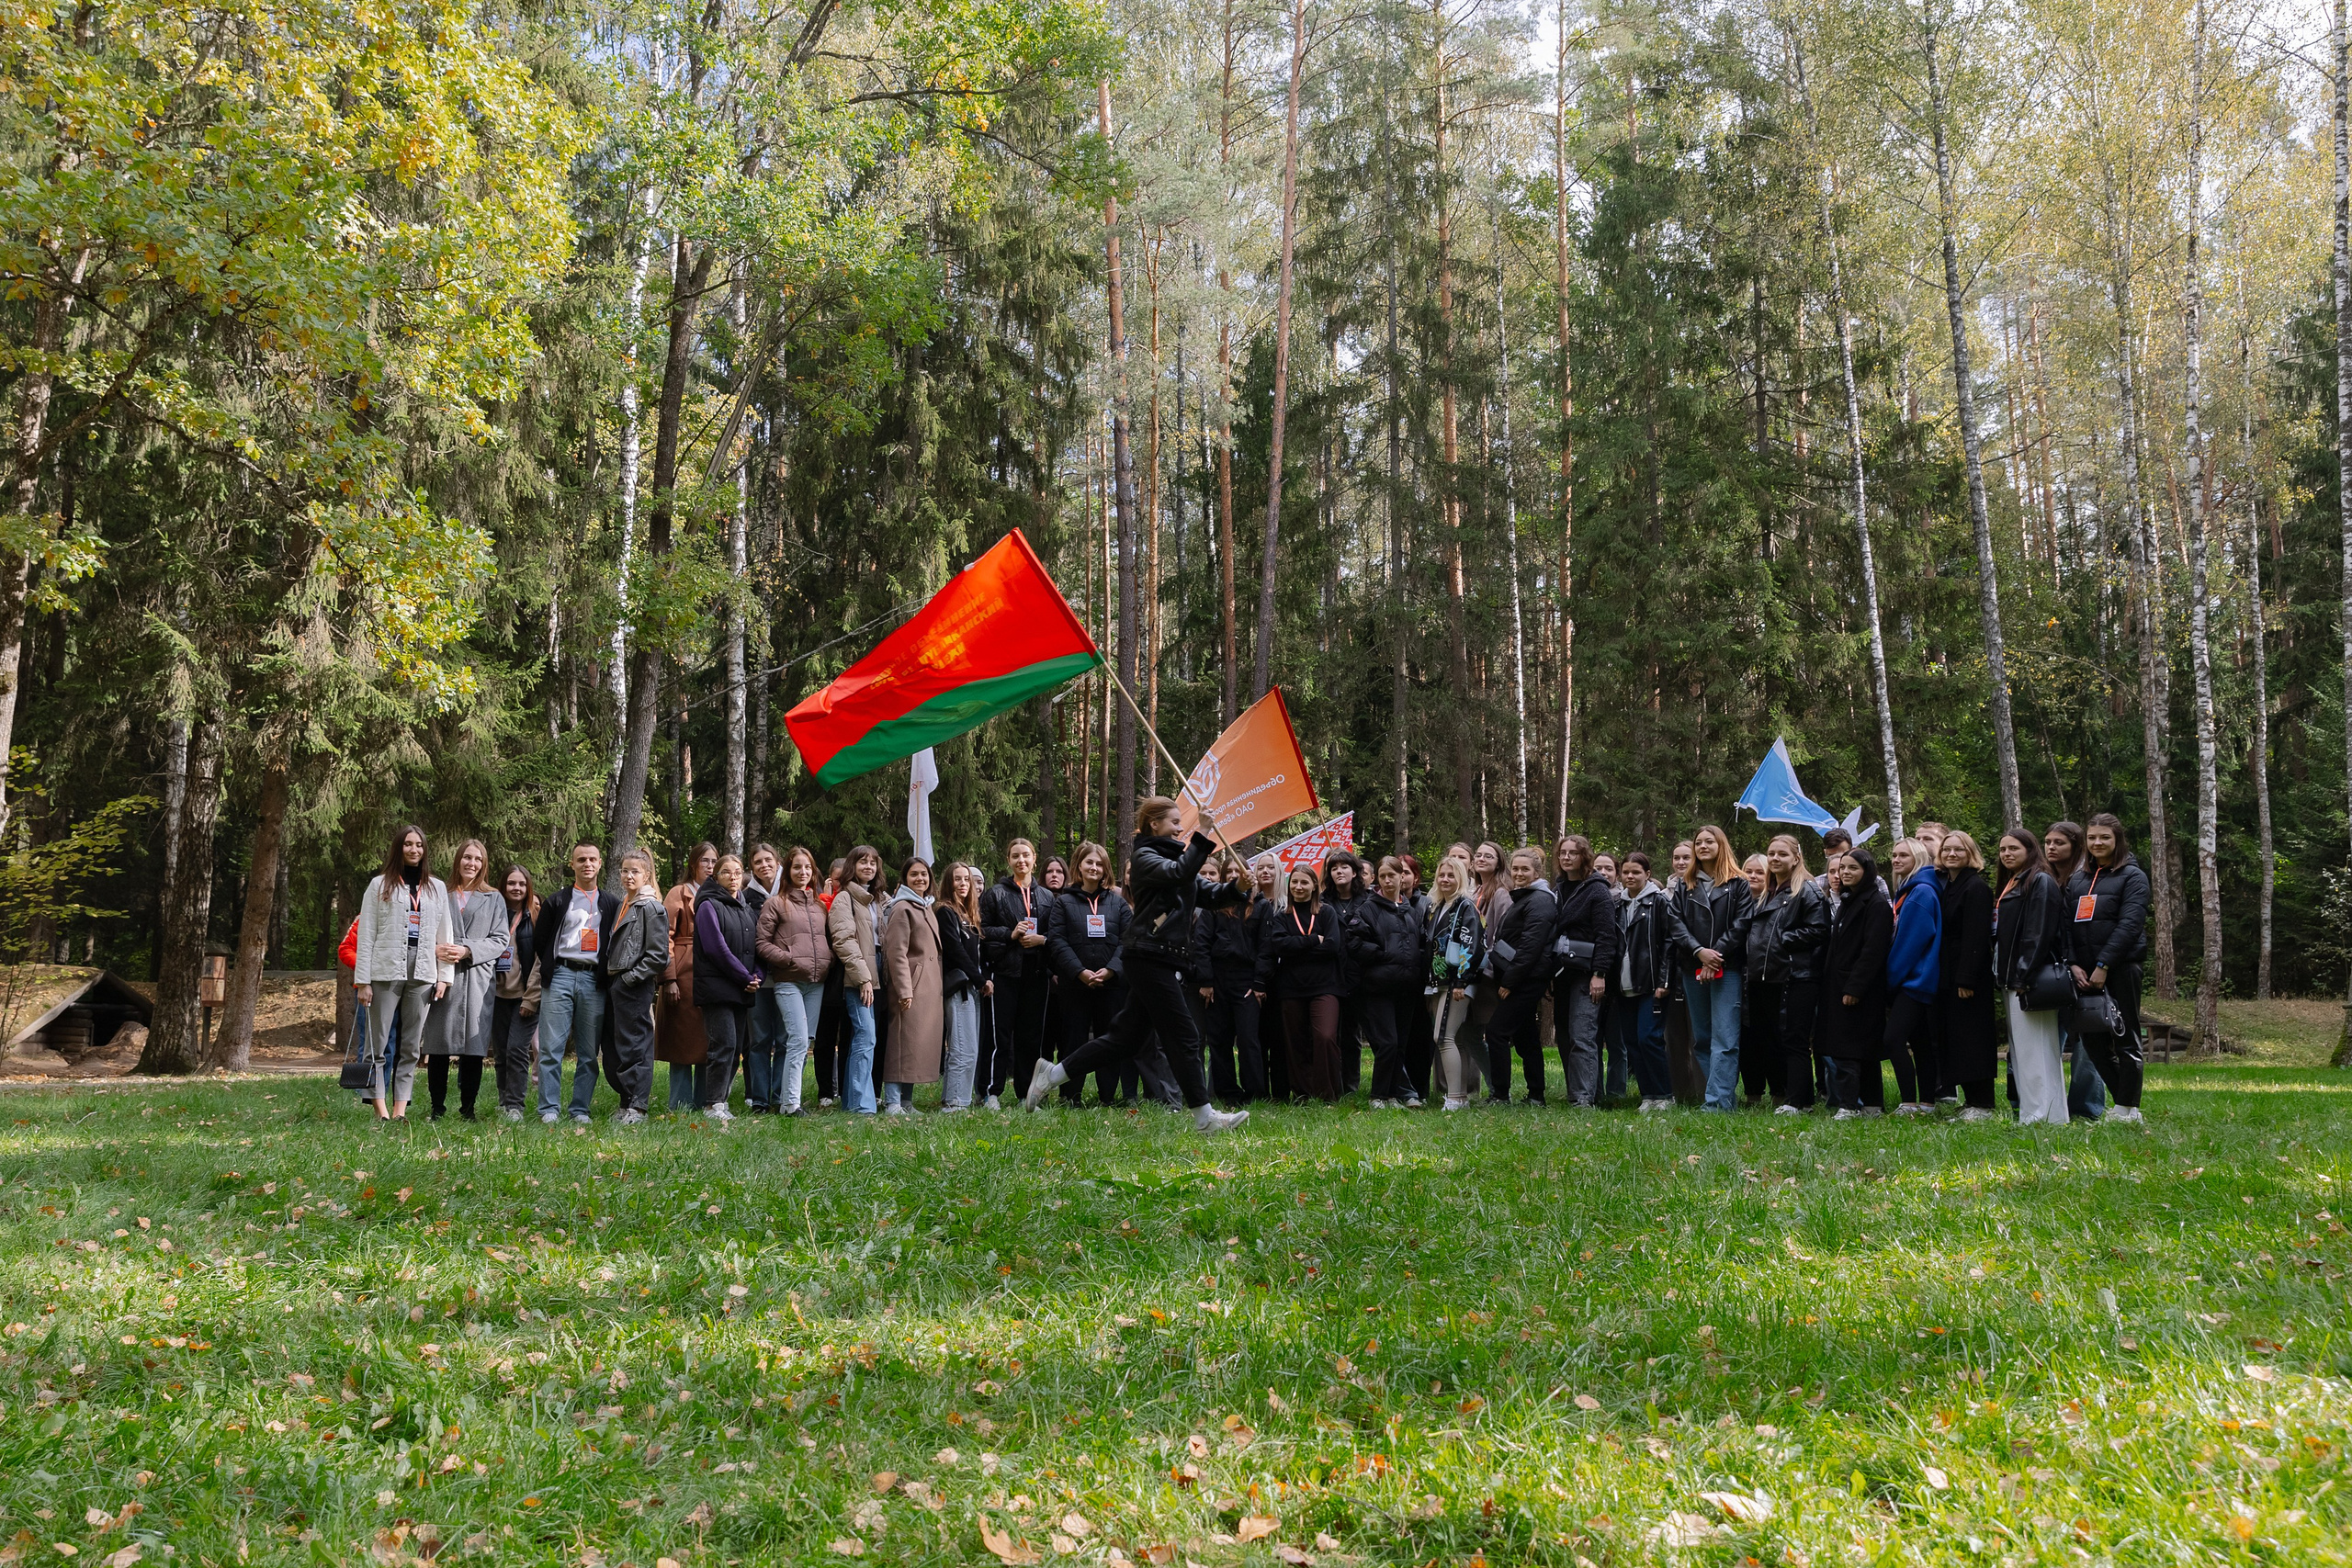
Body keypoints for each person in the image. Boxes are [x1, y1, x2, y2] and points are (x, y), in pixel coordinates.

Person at [1022, 799, 1251, 1134]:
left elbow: (1209, 893)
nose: (1180, 827)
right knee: (1185, 1034)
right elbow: (1180, 874)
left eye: (1181, 823)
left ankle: (1052, 1075)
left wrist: (1237, 888)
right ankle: (1204, 1118)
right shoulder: (1145, 859)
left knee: (1124, 1040)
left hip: (1160, 957)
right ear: (1154, 824)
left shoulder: (1176, 858)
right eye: (1174, 821)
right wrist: (1202, 832)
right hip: (1148, 956)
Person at [353, 825, 456, 1122]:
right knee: (379, 1043)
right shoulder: (379, 885)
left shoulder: (436, 888)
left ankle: (400, 1112)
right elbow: (366, 934)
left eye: (419, 845)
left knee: (411, 1046)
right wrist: (363, 981)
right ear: (399, 848)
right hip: (385, 970)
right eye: (408, 844)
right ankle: (380, 1110)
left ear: (425, 850)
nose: (414, 850)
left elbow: (445, 935)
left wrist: (444, 976)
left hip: (423, 971)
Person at [2068, 813, 2150, 1123]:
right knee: (2092, 1041)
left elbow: (2130, 925)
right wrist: (2075, 964)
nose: (2097, 843)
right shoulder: (2078, 880)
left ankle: (2130, 1109)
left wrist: (2104, 964)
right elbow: (2066, 925)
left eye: (2104, 837)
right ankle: (2123, 1105)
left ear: (2117, 840)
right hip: (2083, 975)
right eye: (2092, 838)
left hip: (2120, 968)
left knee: (2125, 1035)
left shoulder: (2133, 876)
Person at [531, 839, 618, 1124]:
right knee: (550, 1048)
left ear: (600, 863)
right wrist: (553, 968)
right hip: (560, 976)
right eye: (581, 860)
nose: (587, 864)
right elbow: (540, 940)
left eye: (592, 859)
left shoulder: (611, 903)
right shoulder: (557, 901)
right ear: (572, 864)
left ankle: (580, 1109)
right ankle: (549, 1110)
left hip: (594, 980)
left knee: (589, 1052)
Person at [418, 840, 506, 1121]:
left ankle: (468, 1110)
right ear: (458, 860)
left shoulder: (494, 898)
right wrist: (439, 950)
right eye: (467, 857)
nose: (472, 863)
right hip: (443, 977)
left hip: (477, 980)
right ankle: (437, 1109)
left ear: (484, 864)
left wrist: (468, 950)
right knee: (438, 1045)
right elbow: (424, 931)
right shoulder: (439, 894)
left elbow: (500, 940)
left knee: (473, 1047)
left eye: (478, 859)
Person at [1994, 829, 2071, 1125]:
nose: (2007, 854)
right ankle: (2032, 1112)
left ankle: (2046, 1115)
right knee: (2022, 1052)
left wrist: (2023, 976)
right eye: (2002, 850)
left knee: (2038, 1049)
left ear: (2030, 849)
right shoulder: (2014, 881)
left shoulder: (2040, 881)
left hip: (2028, 979)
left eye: (2014, 848)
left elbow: (2039, 933)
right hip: (2010, 978)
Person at [1045, 840, 1131, 1104]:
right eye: (1089, 863)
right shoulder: (1063, 903)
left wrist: (1111, 970)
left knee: (1110, 1041)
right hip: (1075, 986)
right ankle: (1070, 1096)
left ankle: (1107, 1097)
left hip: (1111, 985)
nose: (1094, 867)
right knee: (1073, 1042)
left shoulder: (1118, 904)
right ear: (1079, 867)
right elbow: (1057, 941)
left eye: (1099, 864)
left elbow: (1128, 942)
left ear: (1106, 870)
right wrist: (1080, 972)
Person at [1677, 825, 1753, 1111]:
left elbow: (1741, 924)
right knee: (1703, 1039)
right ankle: (1722, 1099)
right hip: (1692, 967)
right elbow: (1675, 924)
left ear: (1722, 845)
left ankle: (1717, 1103)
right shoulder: (1685, 885)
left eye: (1709, 841)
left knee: (1725, 1038)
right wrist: (1699, 953)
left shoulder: (1738, 884)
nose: (1703, 846)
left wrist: (1715, 955)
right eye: (1699, 842)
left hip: (1727, 968)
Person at [1259, 863, 1348, 1101]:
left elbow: (1332, 946)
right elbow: (1280, 946)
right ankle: (1302, 1093)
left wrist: (1296, 947)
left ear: (1314, 886)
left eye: (1304, 882)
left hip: (1325, 986)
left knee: (1325, 1036)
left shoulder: (1327, 912)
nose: (1299, 887)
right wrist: (1312, 941)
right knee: (1295, 1040)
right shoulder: (1281, 916)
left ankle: (1327, 1093)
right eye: (1294, 882)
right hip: (1291, 988)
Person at [753, 845, 831, 1116]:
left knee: (804, 1041)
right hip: (788, 981)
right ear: (787, 870)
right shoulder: (776, 903)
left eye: (808, 867)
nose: (803, 872)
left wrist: (827, 960)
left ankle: (790, 1099)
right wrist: (788, 959)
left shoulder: (820, 905)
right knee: (796, 1040)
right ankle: (790, 1104)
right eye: (797, 867)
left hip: (816, 983)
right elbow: (761, 943)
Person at [981, 840, 1054, 1112]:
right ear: (1008, 860)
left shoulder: (1047, 897)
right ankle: (992, 1093)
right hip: (1005, 973)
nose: (1021, 860)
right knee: (1001, 1036)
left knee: (1030, 1037)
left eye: (1025, 855)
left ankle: (1026, 1093)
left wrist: (1042, 940)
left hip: (1036, 974)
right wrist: (1010, 935)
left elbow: (1055, 935)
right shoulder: (995, 894)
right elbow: (984, 931)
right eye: (1015, 856)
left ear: (1035, 858)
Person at [2041, 818, 2106, 1120]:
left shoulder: (2088, 879)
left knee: (2088, 1044)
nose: (2051, 848)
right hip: (2050, 973)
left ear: (2076, 846)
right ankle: (2048, 1105)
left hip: (2087, 971)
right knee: (2048, 1039)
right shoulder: (2040, 878)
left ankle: (2085, 1109)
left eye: (2059, 843)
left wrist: (2089, 965)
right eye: (2048, 842)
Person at [1547, 835, 1619, 1109]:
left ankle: (1583, 1098)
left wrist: (1600, 974)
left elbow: (1606, 936)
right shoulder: (1558, 889)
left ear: (1584, 857)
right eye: (1562, 853)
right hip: (1562, 972)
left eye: (1573, 853)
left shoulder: (1596, 890)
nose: (1566, 858)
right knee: (1565, 1035)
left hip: (1588, 974)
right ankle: (1582, 1092)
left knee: (1583, 1035)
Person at [1482, 847, 1557, 1105]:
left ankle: (1501, 1094)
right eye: (1515, 868)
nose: (1519, 873)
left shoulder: (1540, 900)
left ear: (1537, 872)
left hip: (1525, 980)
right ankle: (1536, 1094)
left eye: (1525, 869)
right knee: (1526, 1039)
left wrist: (1510, 981)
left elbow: (1531, 946)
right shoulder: (1524, 897)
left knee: (1496, 1032)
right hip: (1519, 977)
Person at [1820, 849, 1892, 1119]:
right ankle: (1870, 1105)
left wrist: (1855, 987)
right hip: (1838, 984)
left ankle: (1850, 1105)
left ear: (1867, 871)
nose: (1845, 873)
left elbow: (1873, 950)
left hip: (1860, 989)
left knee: (1853, 1048)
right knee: (1854, 1046)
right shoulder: (1849, 901)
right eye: (1842, 869)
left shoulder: (1875, 905)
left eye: (1853, 868)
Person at [1762, 835, 1830, 1112]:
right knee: (1781, 1037)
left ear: (1796, 858)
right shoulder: (1771, 890)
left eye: (1782, 854)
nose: (1775, 858)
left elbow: (1821, 930)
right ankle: (1793, 1097)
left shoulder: (1807, 890)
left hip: (1801, 975)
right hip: (1777, 974)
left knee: (1796, 1038)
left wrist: (1785, 937)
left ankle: (1800, 1102)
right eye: (1771, 853)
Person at [1194, 853, 1271, 1102]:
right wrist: (1206, 981)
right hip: (1217, 980)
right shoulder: (1213, 907)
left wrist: (1259, 982)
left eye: (1239, 872)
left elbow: (1266, 947)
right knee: (1219, 1040)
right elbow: (1202, 943)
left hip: (1247, 981)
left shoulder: (1261, 906)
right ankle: (1227, 1092)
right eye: (1230, 873)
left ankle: (1255, 1092)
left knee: (1249, 1040)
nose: (1235, 876)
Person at [602, 847, 671, 1123]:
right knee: (617, 1047)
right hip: (616, 982)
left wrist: (630, 979)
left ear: (647, 875)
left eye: (635, 871)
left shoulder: (652, 908)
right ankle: (625, 1102)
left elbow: (658, 956)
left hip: (634, 983)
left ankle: (637, 1107)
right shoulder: (624, 904)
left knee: (635, 1045)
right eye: (625, 871)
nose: (629, 876)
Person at [1611, 851, 1681, 1111]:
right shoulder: (1617, 905)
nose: (1630, 876)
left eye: (1636, 872)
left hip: (1651, 983)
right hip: (1624, 984)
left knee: (1648, 1038)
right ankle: (1648, 1096)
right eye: (1626, 872)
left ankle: (1664, 1094)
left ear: (1647, 874)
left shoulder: (1660, 902)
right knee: (1632, 1042)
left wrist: (1664, 979)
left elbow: (1669, 943)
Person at [692, 852, 761, 1118]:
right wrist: (745, 977)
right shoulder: (708, 905)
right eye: (726, 873)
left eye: (738, 872)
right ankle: (712, 1105)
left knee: (735, 1049)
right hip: (717, 988)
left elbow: (756, 947)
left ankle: (722, 1101)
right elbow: (715, 948)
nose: (733, 877)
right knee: (723, 1045)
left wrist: (757, 976)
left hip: (742, 988)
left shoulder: (745, 907)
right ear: (715, 877)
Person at [1935, 830, 1998, 1121]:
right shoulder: (1949, 885)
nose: (1951, 854)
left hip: (1969, 977)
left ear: (1970, 854)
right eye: (1946, 849)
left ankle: (1983, 1103)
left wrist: (1966, 979)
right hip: (1950, 975)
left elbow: (1976, 937)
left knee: (1974, 1038)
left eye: (1958, 850)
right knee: (1958, 1038)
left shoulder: (1976, 888)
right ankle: (1971, 1100)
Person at [876, 857, 944, 1114]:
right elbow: (896, 952)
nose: (920, 879)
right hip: (910, 987)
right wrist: (905, 989)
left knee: (914, 1045)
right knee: (900, 1043)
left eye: (924, 875)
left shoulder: (925, 906)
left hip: (926, 988)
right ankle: (893, 1101)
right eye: (914, 875)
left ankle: (906, 1101)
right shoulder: (902, 907)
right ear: (904, 879)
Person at [1883, 837, 1944, 1115]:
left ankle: (1909, 1102)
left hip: (1915, 979)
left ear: (1918, 858)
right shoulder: (1910, 890)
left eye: (1903, 856)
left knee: (1893, 1039)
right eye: (1894, 856)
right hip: (1915, 979)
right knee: (1920, 1042)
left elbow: (1910, 942)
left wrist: (1890, 980)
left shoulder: (1921, 892)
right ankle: (1928, 1103)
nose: (1896, 860)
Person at [1741, 838, 1803, 1112]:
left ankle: (1780, 1091)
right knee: (1747, 1037)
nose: (1753, 876)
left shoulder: (1784, 898)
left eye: (1758, 871)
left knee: (1774, 1037)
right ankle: (1752, 1092)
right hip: (1744, 977)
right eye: (1748, 872)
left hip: (1775, 976)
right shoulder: (1739, 901)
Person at [1359, 856, 1425, 1108]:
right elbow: (1355, 943)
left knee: (1401, 1044)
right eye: (1383, 876)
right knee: (1388, 1042)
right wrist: (1383, 955)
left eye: (1392, 876)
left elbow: (1420, 944)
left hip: (1407, 987)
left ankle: (1393, 1094)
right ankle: (1377, 1095)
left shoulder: (1411, 911)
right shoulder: (1367, 908)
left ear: (1402, 878)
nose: (1388, 881)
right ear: (1376, 878)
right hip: (1379, 987)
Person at [659, 843, 718, 1114]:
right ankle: (680, 1105)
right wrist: (669, 977)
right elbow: (664, 936)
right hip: (683, 974)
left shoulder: (720, 893)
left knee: (710, 1039)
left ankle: (706, 1101)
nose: (710, 866)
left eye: (714, 861)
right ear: (693, 863)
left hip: (713, 973)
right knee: (681, 1041)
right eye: (704, 860)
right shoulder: (679, 893)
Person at [827, 843, 887, 1115]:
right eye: (862, 862)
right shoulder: (844, 898)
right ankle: (861, 1106)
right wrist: (862, 978)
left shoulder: (877, 898)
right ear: (852, 866)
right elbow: (843, 940)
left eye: (872, 862)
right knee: (865, 1036)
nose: (868, 867)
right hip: (858, 977)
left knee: (865, 1038)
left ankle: (854, 1103)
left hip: (877, 974)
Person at [1422, 854, 1485, 1109]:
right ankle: (1456, 1095)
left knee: (1444, 1037)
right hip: (1439, 981)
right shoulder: (1437, 907)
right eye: (1442, 874)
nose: (1445, 879)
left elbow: (1472, 946)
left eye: (1451, 875)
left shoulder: (1465, 907)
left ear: (1460, 878)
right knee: (1448, 1038)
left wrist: (1461, 980)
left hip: (1456, 982)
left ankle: (1457, 1098)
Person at [936, 862, 991, 1111]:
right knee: (962, 1047)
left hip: (972, 988)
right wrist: (981, 980)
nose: (963, 884)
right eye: (957, 879)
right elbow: (956, 952)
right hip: (959, 987)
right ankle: (956, 1103)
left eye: (966, 880)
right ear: (948, 883)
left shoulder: (969, 914)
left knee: (967, 1046)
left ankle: (954, 1097)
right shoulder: (946, 912)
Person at [490, 865, 541, 1121]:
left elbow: (542, 960)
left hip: (525, 995)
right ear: (503, 886)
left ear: (528, 887)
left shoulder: (535, 916)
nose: (516, 888)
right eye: (511, 883)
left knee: (517, 1050)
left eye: (521, 884)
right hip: (496, 995)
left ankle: (515, 1106)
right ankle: (503, 1099)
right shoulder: (493, 914)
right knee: (500, 1052)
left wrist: (532, 997)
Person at [1322, 852, 1374, 1095]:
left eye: (1344, 867)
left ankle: (1351, 1085)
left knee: (1354, 1034)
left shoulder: (1369, 900)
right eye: (1334, 868)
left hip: (1362, 976)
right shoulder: (1322, 901)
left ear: (1355, 872)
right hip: (1330, 976)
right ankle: (1332, 1083)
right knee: (1330, 1033)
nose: (1339, 871)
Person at [740, 843, 784, 1111]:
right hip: (757, 980)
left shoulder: (792, 892)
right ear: (752, 867)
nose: (764, 865)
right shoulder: (745, 897)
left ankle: (780, 1096)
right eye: (758, 862)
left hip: (788, 978)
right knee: (758, 1040)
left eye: (769, 860)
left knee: (785, 1040)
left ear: (778, 863)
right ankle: (759, 1098)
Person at [1659, 840, 1703, 1102]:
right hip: (1669, 975)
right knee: (1673, 1039)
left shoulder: (1703, 891)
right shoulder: (1662, 895)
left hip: (1698, 971)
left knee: (1699, 1037)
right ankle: (1680, 1093)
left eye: (1686, 857)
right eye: (1676, 857)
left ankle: (1702, 1093)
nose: (1680, 862)